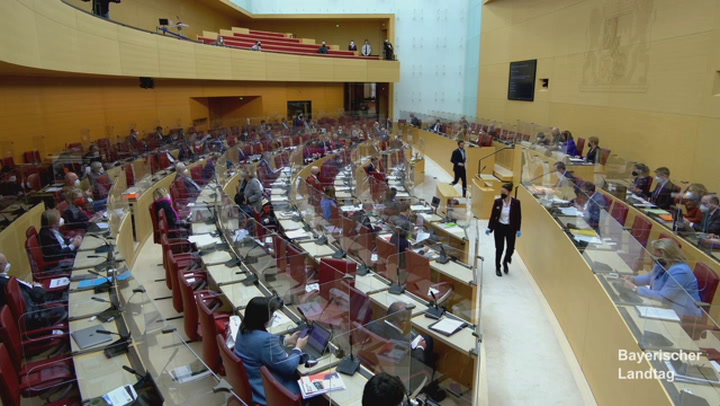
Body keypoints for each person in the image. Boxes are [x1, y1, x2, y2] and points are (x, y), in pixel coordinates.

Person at [234, 296, 308, 405]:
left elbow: (259, 345)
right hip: (268, 393)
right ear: (264, 318)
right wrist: (298, 348)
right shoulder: (266, 340)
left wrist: (287, 340)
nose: (273, 317)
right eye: (272, 315)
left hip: (253, 383)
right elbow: (289, 368)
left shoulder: (244, 326)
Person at [622, 238, 702, 319]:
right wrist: (633, 279)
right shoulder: (662, 263)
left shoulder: (681, 272)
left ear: (667, 255)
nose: (655, 259)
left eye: (657, 256)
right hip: (664, 305)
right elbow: (649, 278)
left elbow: (663, 297)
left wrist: (635, 288)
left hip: (683, 312)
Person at [486, 183, 521, 276]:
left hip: (510, 228)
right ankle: (498, 267)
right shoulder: (498, 202)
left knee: (511, 248)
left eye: (504, 192)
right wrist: (490, 227)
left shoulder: (516, 203)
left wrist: (518, 229)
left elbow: (518, 217)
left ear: (510, 192)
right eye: (501, 192)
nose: (502, 193)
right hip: (499, 227)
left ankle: (506, 261)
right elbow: (493, 215)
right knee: (499, 248)